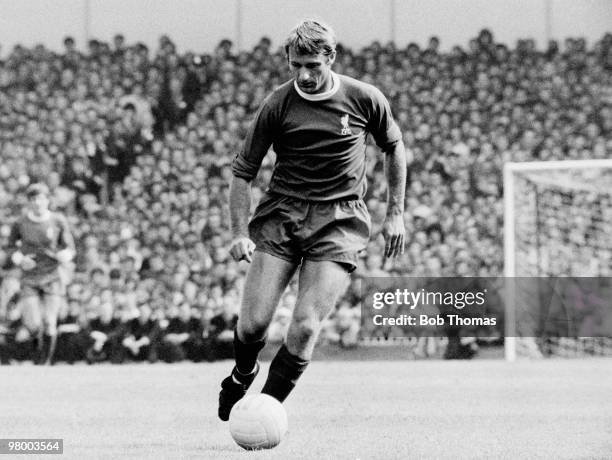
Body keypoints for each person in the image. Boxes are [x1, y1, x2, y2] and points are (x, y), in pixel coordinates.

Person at [218, 20, 409, 421]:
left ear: (330, 58)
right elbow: (242, 172)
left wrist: (395, 214)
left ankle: (262, 410)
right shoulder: (278, 103)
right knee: (252, 326)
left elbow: (394, 148)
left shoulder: (364, 98)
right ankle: (243, 373)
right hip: (283, 213)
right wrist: (238, 233)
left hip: (339, 220)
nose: (303, 74)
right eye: (295, 65)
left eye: (312, 65)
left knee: (304, 327)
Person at [7, 183, 75, 364]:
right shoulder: (20, 223)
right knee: (33, 324)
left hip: (52, 275)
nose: (37, 203)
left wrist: (64, 256)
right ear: (29, 202)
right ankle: (37, 355)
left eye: (41, 199)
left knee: (49, 321)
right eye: (33, 199)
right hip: (30, 277)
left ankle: (45, 364)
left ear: (47, 200)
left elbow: (69, 248)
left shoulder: (58, 220)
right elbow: (10, 248)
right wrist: (20, 259)